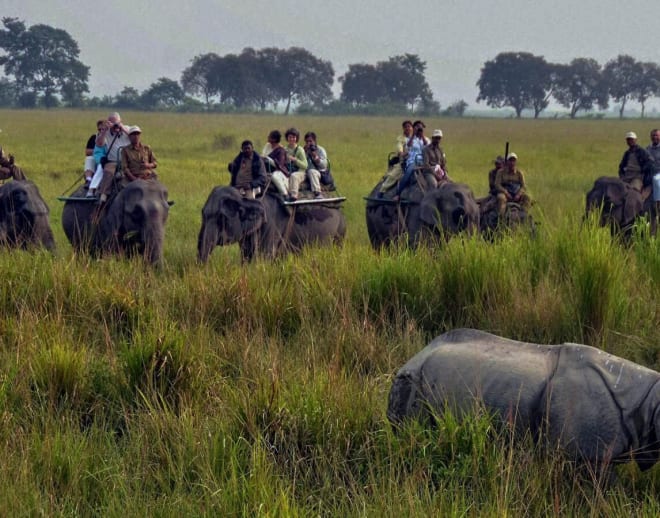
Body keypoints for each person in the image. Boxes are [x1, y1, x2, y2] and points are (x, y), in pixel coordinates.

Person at [95, 112, 131, 202]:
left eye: (117, 123)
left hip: (128, 161)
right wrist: (104, 131)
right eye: (112, 123)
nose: (115, 126)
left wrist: (121, 127)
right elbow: (99, 144)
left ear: (121, 121)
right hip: (113, 161)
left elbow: (136, 138)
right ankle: (104, 193)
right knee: (108, 171)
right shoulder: (106, 132)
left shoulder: (127, 129)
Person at [394, 120, 430, 200]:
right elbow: (408, 146)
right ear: (414, 129)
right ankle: (398, 193)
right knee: (408, 173)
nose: (419, 129)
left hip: (424, 162)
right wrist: (414, 135)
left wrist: (422, 136)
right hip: (413, 161)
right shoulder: (409, 139)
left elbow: (427, 147)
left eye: (421, 127)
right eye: (417, 127)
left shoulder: (426, 139)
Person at [378, 120, 414, 196]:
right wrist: (403, 153)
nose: (408, 128)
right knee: (392, 176)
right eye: (406, 127)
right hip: (404, 162)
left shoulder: (417, 138)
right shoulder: (400, 139)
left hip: (417, 162)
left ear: (412, 128)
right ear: (403, 128)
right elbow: (399, 149)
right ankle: (382, 191)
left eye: (409, 126)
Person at [619, 131, 653, 200]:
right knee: (619, 189)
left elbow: (650, 162)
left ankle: (640, 202)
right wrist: (621, 174)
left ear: (635, 140)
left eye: (632, 139)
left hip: (637, 176)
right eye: (628, 139)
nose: (630, 141)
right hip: (627, 176)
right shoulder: (627, 153)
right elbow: (621, 166)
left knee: (633, 191)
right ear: (626, 141)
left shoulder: (642, 151)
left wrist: (642, 170)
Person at [262, 130, 290, 198]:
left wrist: (268, 159)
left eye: (269, 137)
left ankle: (285, 194)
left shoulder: (281, 150)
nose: (268, 137)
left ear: (274, 139)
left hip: (279, 171)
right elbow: (263, 155)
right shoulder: (267, 145)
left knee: (274, 176)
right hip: (267, 169)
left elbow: (280, 165)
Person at [284, 127, 308, 201]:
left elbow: (305, 165)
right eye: (290, 137)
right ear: (287, 138)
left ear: (296, 138)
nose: (292, 139)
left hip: (300, 172)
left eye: (294, 137)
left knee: (294, 176)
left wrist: (295, 160)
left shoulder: (300, 150)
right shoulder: (285, 149)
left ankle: (293, 195)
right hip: (288, 171)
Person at [303, 131, 330, 199]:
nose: (309, 143)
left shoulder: (320, 150)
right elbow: (301, 163)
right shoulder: (303, 150)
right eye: (307, 142)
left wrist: (316, 157)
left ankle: (317, 193)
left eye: (310, 141)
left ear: (314, 141)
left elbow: (324, 165)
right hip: (305, 172)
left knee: (312, 171)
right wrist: (304, 153)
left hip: (318, 172)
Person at [84, 120, 105, 185]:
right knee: (89, 159)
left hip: (106, 159)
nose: (101, 131)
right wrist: (97, 152)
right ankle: (88, 179)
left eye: (103, 129)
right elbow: (87, 152)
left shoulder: (109, 137)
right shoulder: (94, 137)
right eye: (99, 129)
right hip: (96, 158)